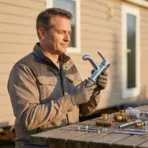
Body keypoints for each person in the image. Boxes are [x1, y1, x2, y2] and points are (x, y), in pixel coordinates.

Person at [7, 8, 108, 148]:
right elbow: (28, 118)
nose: (68, 39)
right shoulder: (24, 69)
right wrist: (71, 99)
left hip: (70, 143)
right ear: (42, 33)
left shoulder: (69, 65)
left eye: (69, 33)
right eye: (61, 32)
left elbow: (85, 110)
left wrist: (96, 90)